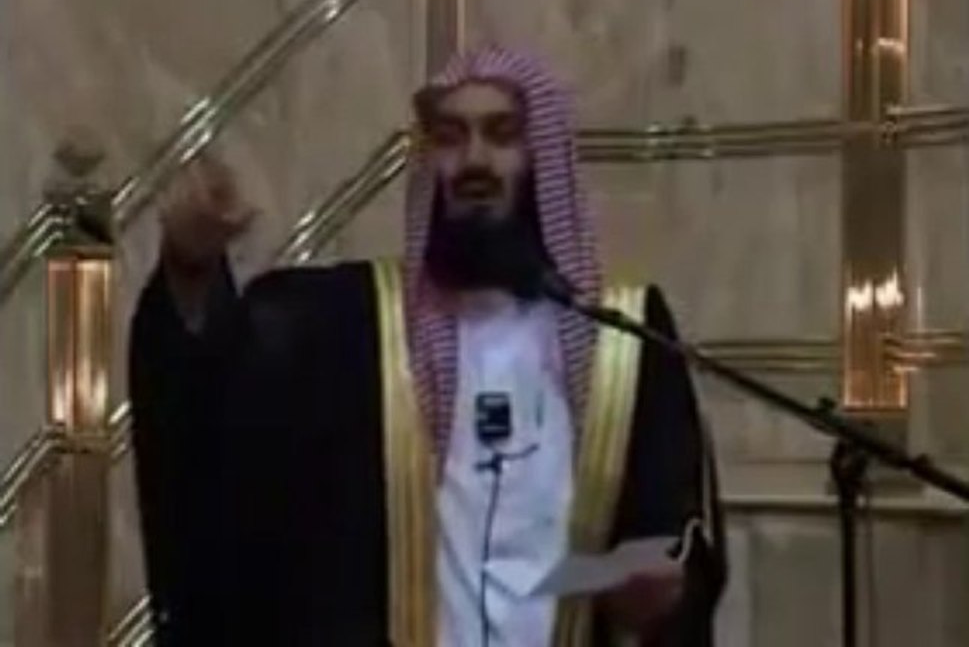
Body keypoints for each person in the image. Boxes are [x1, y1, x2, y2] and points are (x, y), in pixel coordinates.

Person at [129, 45, 727, 647]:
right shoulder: (347, 327)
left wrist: (659, 591)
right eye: (450, 137)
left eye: (501, 135)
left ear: (541, 157)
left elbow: (675, 529)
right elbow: (209, 422)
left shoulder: (624, 339)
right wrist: (190, 269)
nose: (474, 160)